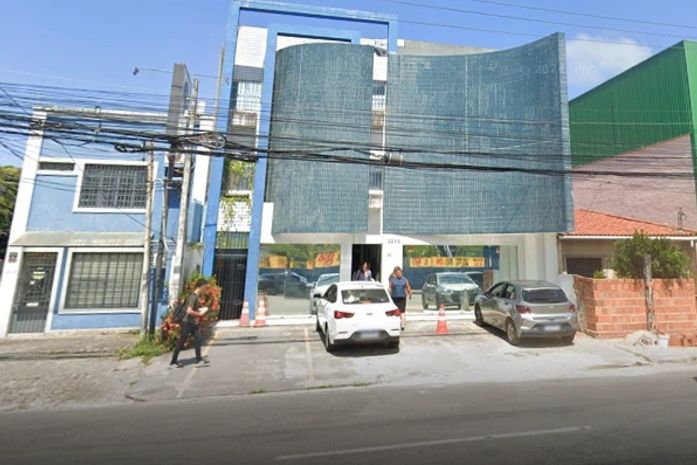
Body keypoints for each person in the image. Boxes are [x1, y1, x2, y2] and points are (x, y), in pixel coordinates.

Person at [170, 278, 211, 368]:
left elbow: (192, 309)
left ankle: (199, 359)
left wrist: (200, 310)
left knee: (198, 338)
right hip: (186, 322)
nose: (205, 290)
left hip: (191, 322)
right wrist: (200, 314)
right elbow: (189, 311)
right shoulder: (193, 297)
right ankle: (173, 362)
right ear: (201, 287)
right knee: (181, 341)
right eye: (205, 287)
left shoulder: (195, 296)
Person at [388, 266, 412, 330]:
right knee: (395, 312)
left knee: (402, 311)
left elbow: (408, 287)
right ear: (396, 274)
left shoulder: (404, 280)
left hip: (402, 298)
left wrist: (410, 294)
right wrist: (389, 294)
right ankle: (394, 324)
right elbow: (390, 288)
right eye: (398, 273)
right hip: (394, 298)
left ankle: (402, 325)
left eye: (400, 273)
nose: (399, 274)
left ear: (402, 273)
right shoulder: (393, 280)